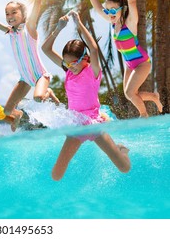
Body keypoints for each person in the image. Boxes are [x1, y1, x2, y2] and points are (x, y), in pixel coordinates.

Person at [41, 10, 131, 181]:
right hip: (77, 125)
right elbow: (45, 49)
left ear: (85, 58)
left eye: (73, 62)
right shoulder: (69, 72)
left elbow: (95, 49)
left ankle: (122, 149)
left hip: (95, 123)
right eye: (67, 63)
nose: (70, 66)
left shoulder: (93, 71)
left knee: (125, 168)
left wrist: (79, 23)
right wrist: (58, 29)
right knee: (56, 174)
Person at [85, 0, 162, 117]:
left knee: (129, 92)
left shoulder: (130, 23)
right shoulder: (113, 22)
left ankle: (144, 116)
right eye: (108, 10)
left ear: (122, 9)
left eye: (113, 10)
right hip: (129, 64)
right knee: (130, 94)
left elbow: (132, 2)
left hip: (141, 63)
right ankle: (153, 97)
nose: (109, 13)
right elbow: (99, 8)